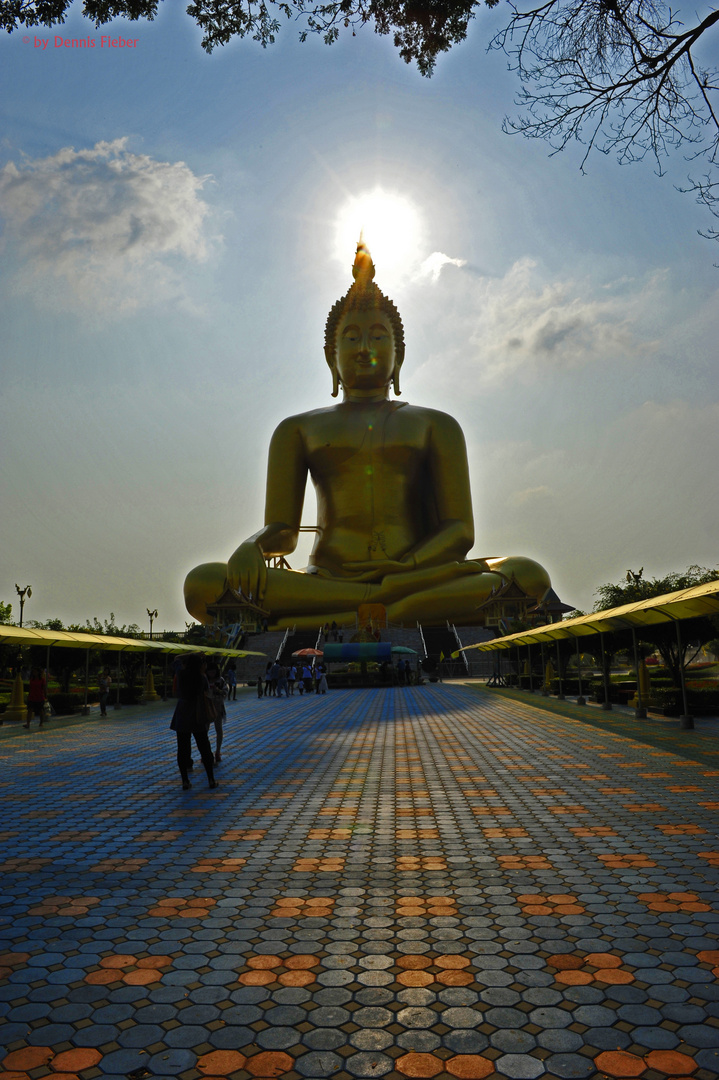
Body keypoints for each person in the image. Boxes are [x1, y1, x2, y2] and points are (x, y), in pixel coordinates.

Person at [184, 243, 551, 630]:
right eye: (351, 339)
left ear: (399, 355)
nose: (363, 350)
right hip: (328, 580)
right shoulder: (296, 429)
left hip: (416, 574)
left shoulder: (436, 425)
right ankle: (385, 607)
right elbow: (285, 533)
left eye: (377, 338)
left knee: (526, 574)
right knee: (203, 584)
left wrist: (404, 567)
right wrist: (252, 546)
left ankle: (338, 616)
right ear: (331, 356)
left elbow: (460, 530)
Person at [169, 654, 217, 791]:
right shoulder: (202, 677)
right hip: (198, 713)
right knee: (204, 747)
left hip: (182, 713)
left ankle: (185, 780)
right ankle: (211, 779)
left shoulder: (181, 673)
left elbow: (176, 658)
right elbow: (207, 692)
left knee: (182, 748)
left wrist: (191, 653)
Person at [207, 664, 227, 764]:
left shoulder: (221, 680)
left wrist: (217, 690)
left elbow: (225, 692)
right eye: (209, 671)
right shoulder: (204, 680)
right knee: (204, 730)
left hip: (218, 707)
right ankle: (206, 753)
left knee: (218, 729)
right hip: (207, 708)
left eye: (213, 671)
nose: (211, 673)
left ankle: (218, 752)